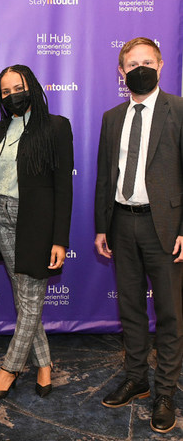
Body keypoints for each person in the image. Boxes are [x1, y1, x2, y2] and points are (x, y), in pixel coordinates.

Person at [94, 37, 183, 434]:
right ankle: (137, 379)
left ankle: (165, 392)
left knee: (169, 313)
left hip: (164, 227)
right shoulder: (112, 117)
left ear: (161, 65)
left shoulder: (178, 110)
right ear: (121, 71)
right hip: (121, 224)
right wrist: (101, 226)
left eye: (147, 61)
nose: (139, 68)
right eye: (132, 63)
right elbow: (103, 177)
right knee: (130, 308)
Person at [0, 65, 74, 401]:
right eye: (5, 91)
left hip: (37, 224)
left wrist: (60, 239)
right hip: (1, 218)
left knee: (29, 302)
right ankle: (44, 365)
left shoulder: (56, 127)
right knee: (24, 300)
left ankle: (9, 369)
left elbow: (64, 189)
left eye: (18, 87)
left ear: (31, 87)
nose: (12, 95)